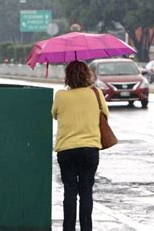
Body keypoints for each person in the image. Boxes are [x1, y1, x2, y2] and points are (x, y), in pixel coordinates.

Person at [51, 60, 109, 231]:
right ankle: (86, 228)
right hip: (90, 149)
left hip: (66, 150)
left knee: (69, 190)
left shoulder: (61, 95)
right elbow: (105, 114)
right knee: (86, 190)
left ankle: (68, 228)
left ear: (68, 77)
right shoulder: (96, 93)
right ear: (87, 75)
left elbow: (54, 114)